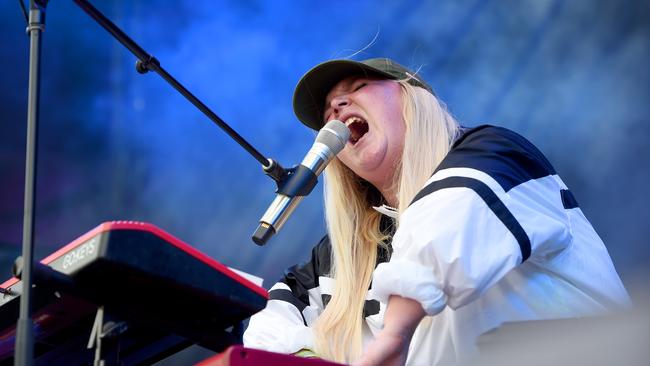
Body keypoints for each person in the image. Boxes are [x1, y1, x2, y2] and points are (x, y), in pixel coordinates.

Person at [242, 58, 631, 365]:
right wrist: (307, 359)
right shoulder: (347, 252)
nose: (336, 107)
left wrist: (393, 336)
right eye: (328, 111)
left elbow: (452, 220)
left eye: (357, 87)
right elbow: (278, 312)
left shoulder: (494, 154)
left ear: (414, 100)